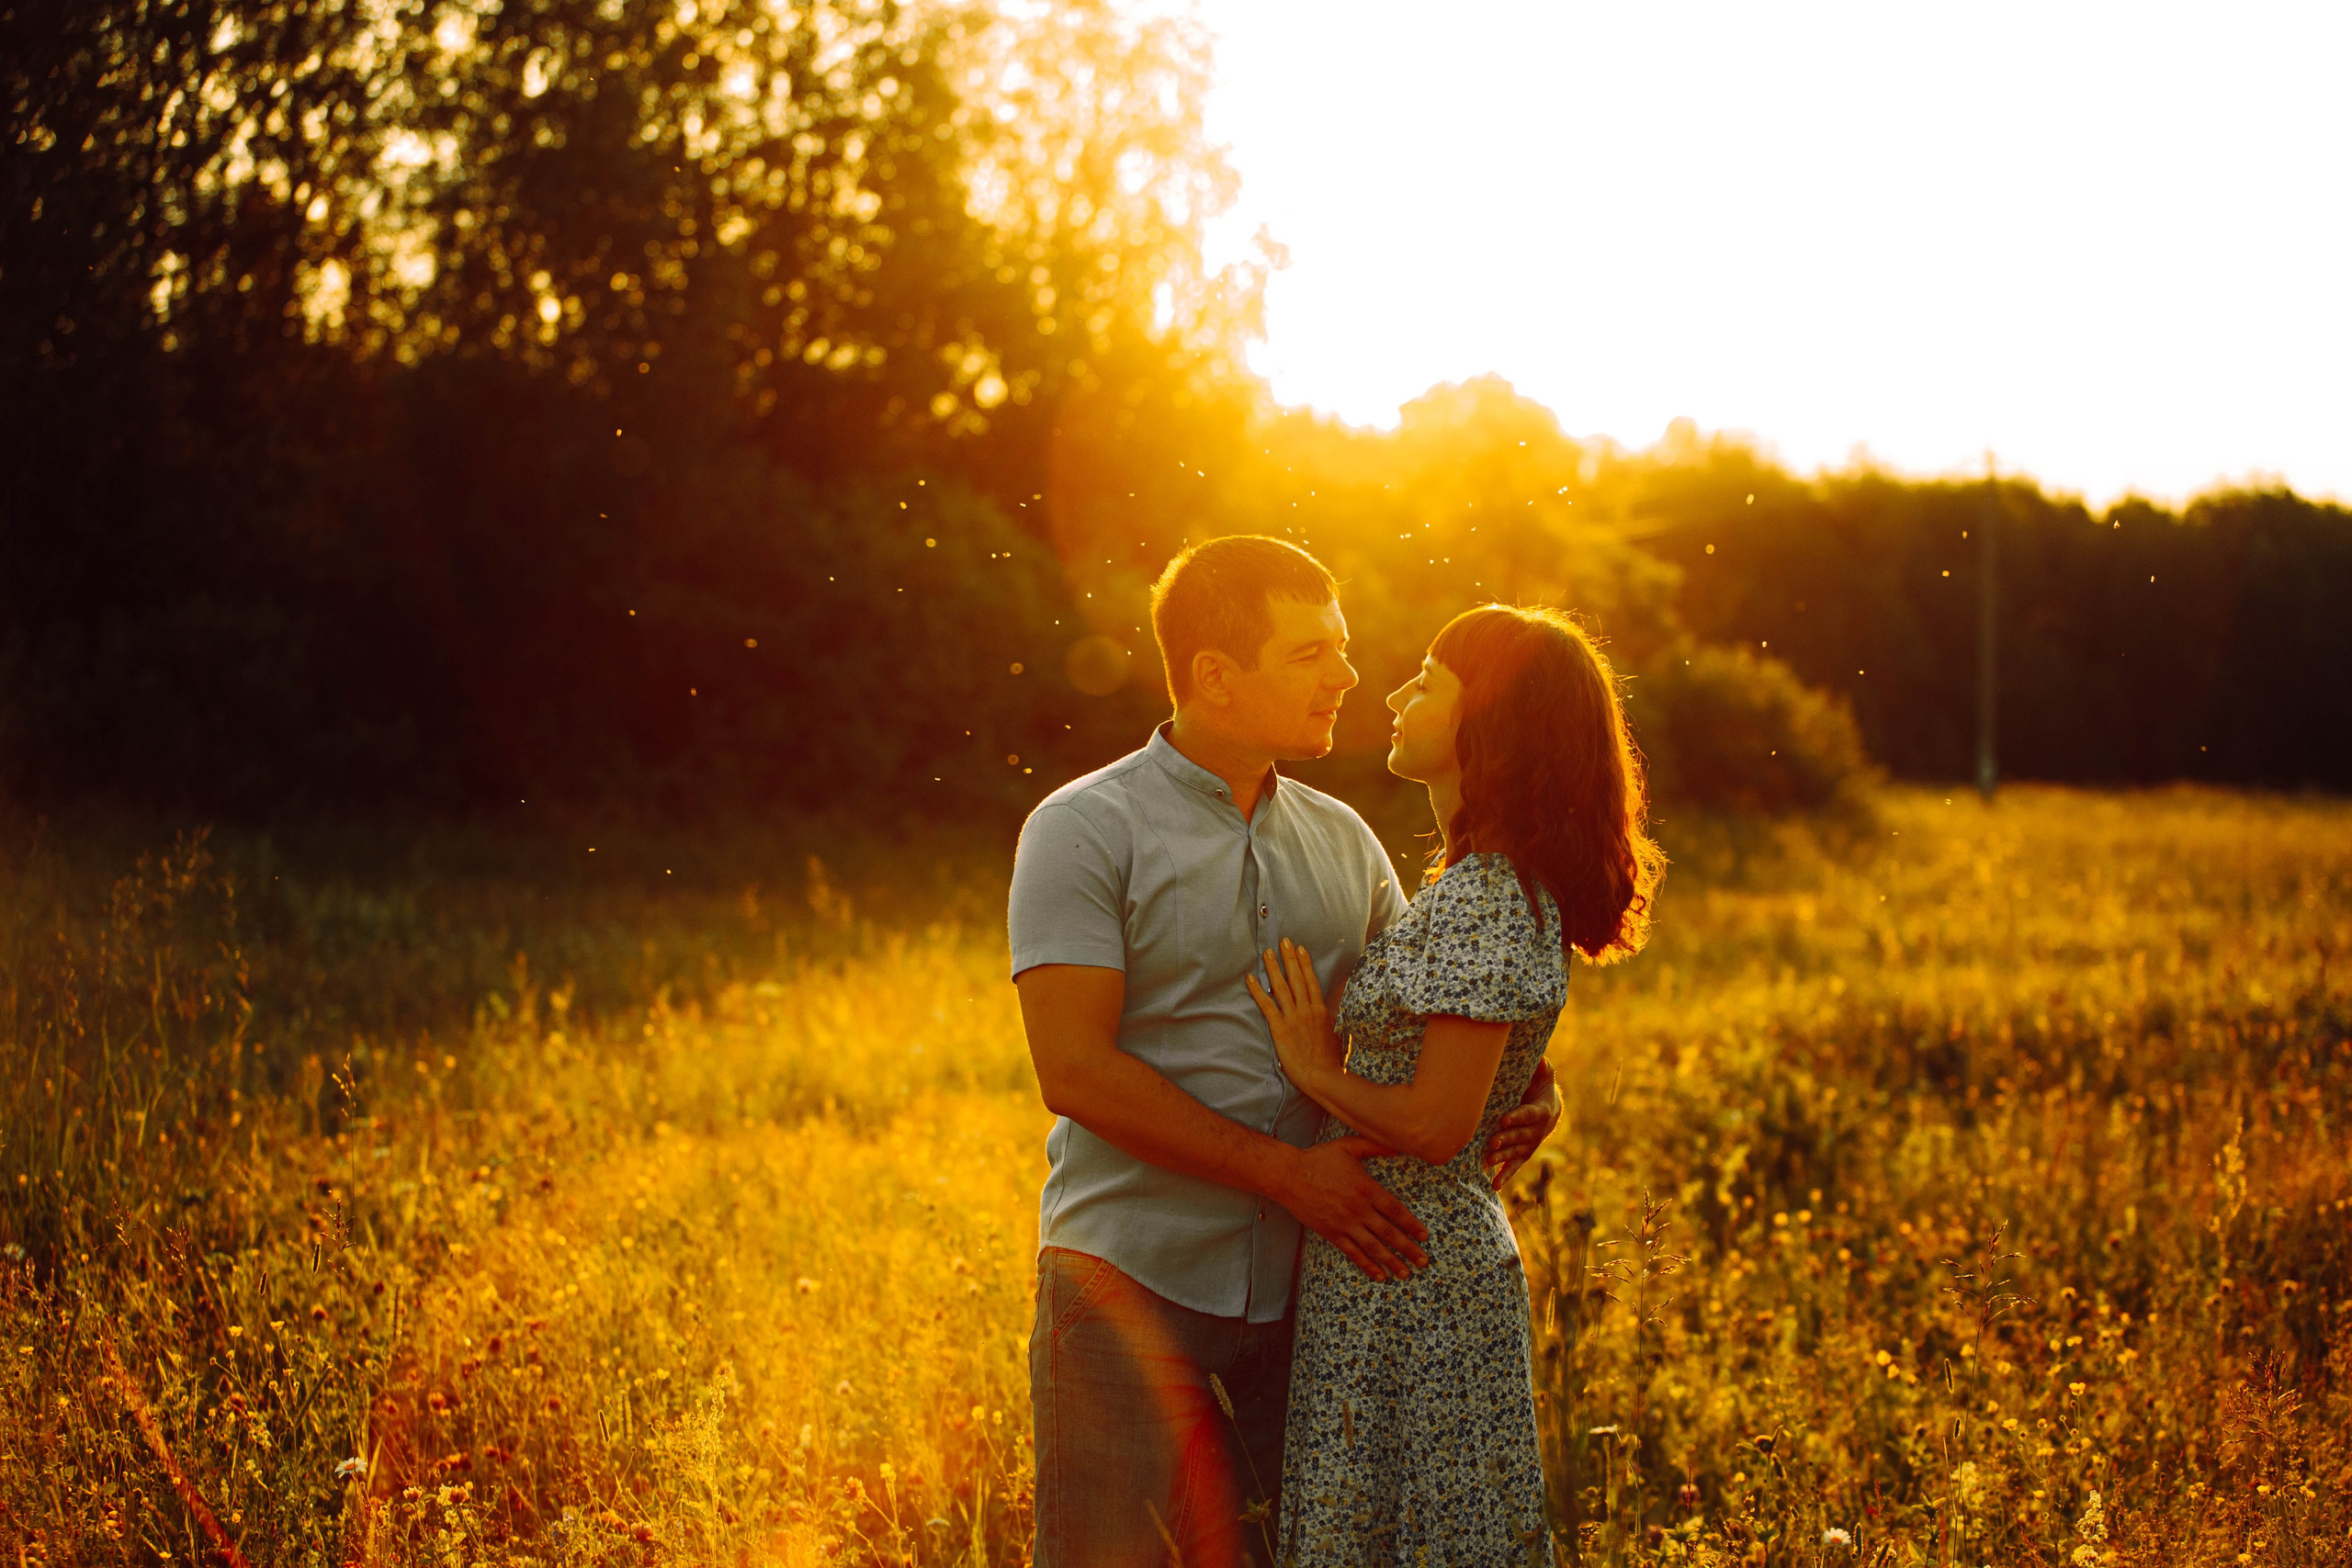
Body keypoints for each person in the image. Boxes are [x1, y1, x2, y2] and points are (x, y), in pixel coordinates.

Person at [1010, 537, 1566, 1568]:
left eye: (1343, 650)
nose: (1348, 677)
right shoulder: (1082, 829)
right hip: (1127, 1287)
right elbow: (1073, 1071)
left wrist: (1536, 1084)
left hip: (1313, 1304)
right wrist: (1284, 1176)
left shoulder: (1346, 839)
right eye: (1311, 652)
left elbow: (1427, 1018)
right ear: (1216, 676)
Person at [1248, 604, 1662, 1564]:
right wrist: (1537, 1081)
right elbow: (1472, 1052)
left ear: (1493, 721)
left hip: (1415, 1268)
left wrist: (1315, 1069)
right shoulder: (1473, 882)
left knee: (1419, 1534)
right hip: (1396, 1262)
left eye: (1427, 682)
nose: (1394, 696)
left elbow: (1436, 1123)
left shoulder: (1486, 892)